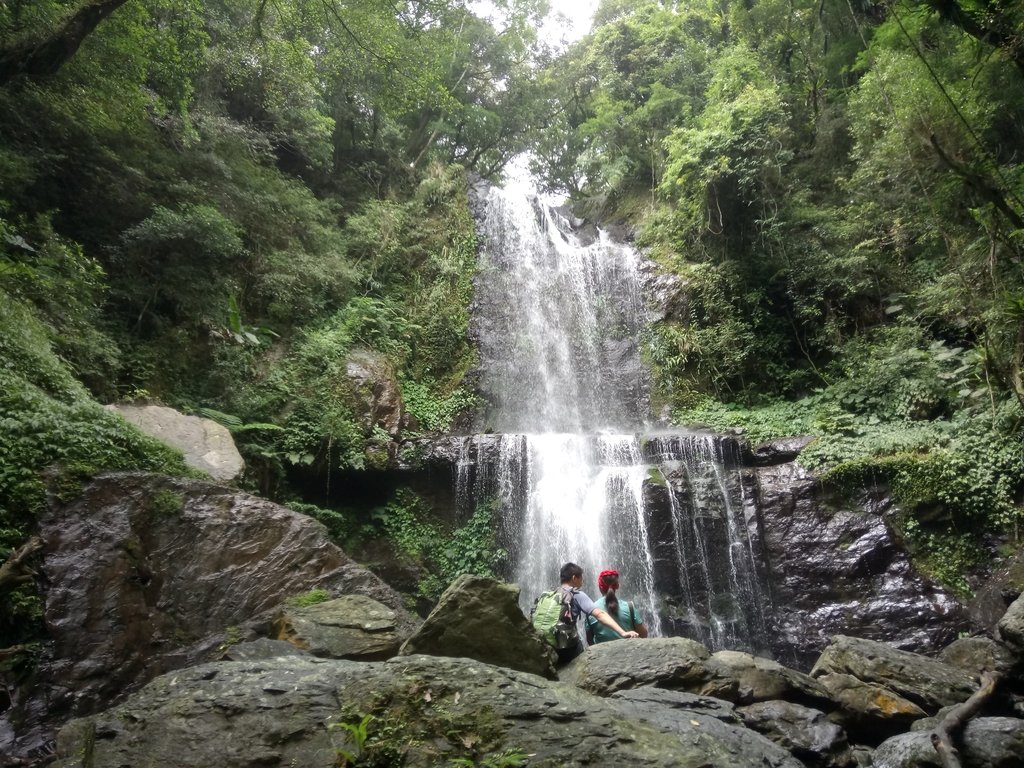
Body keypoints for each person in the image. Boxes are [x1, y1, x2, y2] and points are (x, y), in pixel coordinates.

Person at [555, 562, 639, 664]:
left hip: (546, 645)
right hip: (566, 648)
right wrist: (623, 633)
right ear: (574, 578)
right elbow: (600, 615)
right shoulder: (576, 594)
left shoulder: (550, 594)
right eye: (581, 578)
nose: (583, 581)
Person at [587, 569, 648, 644]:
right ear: (617, 586)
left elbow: (590, 641)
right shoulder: (629, 607)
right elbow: (643, 635)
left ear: (600, 587)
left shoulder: (591, 609)